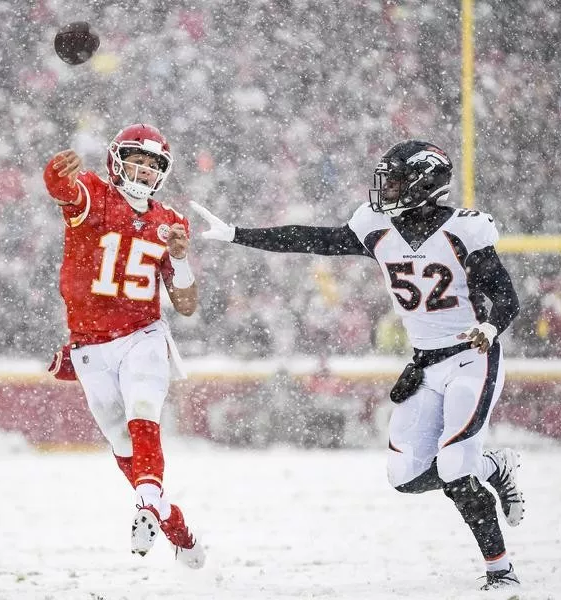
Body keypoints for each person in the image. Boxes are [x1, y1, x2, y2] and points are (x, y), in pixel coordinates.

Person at [191, 140, 524, 590]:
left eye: (399, 180)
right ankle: (493, 467)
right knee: (405, 476)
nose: (387, 189)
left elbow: (505, 296)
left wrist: (489, 328)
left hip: (472, 357)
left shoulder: (465, 230)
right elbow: (311, 240)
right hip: (425, 364)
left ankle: (500, 571)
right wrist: (237, 234)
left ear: (426, 183)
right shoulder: (376, 228)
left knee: (453, 466)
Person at [43, 123, 205, 569]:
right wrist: (56, 173)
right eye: (138, 158)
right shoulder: (95, 193)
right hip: (91, 343)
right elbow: (63, 190)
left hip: (143, 332)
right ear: (117, 158)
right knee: (120, 437)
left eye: (154, 164)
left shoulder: (170, 221)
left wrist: (180, 257)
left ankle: (148, 502)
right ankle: (169, 516)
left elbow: (186, 305)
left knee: (143, 407)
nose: (144, 169)